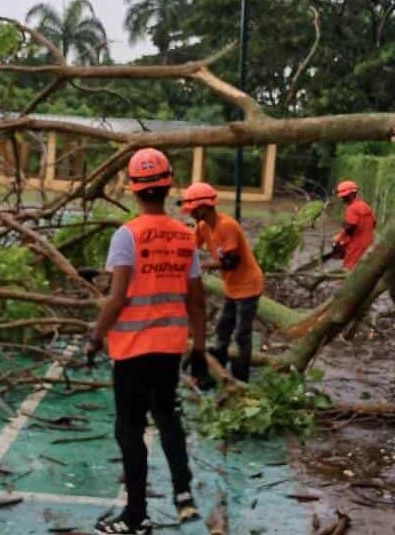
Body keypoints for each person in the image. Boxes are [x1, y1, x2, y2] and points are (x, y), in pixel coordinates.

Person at [85, 148, 208, 535]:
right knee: (168, 417)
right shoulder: (185, 236)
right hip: (169, 349)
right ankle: (183, 492)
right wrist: (200, 348)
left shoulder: (127, 236)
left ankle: (136, 516)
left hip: (133, 350)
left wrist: (94, 336)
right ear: (169, 185)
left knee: (130, 431)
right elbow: (197, 300)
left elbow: (118, 297)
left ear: (134, 189)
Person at [181, 182, 264, 382]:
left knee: (242, 334)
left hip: (248, 285)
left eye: (193, 210)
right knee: (223, 328)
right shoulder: (202, 227)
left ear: (204, 207)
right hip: (232, 287)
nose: (191, 214)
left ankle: (241, 377)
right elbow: (189, 247)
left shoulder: (226, 225)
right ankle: (217, 365)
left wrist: (203, 267)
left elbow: (230, 262)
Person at [332, 180, 377, 270]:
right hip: (369, 244)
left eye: (345, 196)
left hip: (356, 246)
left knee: (349, 268)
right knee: (363, 269)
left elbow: (350, 227)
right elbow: (374, 222)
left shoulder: (352, 208)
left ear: (352, 194)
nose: (343, 199)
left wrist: (340, 239)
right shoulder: (365, 206)